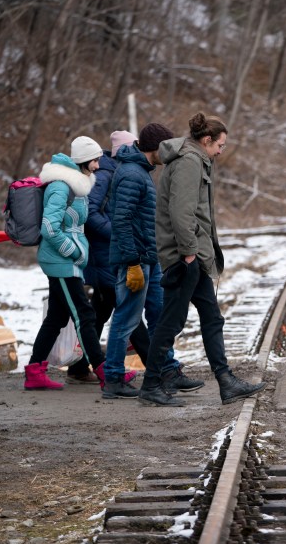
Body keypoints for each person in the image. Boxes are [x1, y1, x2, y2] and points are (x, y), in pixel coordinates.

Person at [137, 113, 266, 407]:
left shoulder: (194, 159)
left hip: (192, 255)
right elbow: (182, 213)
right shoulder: (189, 162)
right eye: (220, 145)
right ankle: (151, 384)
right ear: (206, 140)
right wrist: (189, 253)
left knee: (211, 318)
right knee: (171, 321)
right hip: (185, 257)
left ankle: (226, 381)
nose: (221, 151)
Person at [102, 123, 205, 399]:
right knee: (126, 318)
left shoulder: (142, 172)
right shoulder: (132, 175)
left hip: (150, 258)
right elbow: (121, 221)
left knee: (161, 314)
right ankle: (112, 378)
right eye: (166, 147)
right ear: (155, 148)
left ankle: (167, 371)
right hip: (135, 261)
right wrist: (132, 262)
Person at [24, 136, 121, 391]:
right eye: (95, 160)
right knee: (85, 315)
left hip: (68, 261)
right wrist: (74, 251)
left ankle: (35, 371)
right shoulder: (61, 187)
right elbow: (49, 228)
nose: (99, 165)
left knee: (57, 317)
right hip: (60, 261)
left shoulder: (77, 185)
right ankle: (105, 374)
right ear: (83, 161)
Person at [66, 130, 141, 384]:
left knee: (102, 309)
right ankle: (158, 366)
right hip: (103, 254)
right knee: (127, 307)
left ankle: (78, 365)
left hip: (105, 253)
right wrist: (117, 233)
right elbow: (91, 214)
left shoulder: (114, 172)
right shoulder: (106, 175)